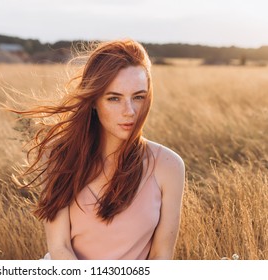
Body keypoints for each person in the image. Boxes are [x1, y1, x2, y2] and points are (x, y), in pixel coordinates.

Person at [9, 39, 185, 260]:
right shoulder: (60, 156)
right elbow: (59, 246)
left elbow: (161, 255)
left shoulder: (168, 165)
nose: (129, 111)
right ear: (94, 101)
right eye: (114, 98)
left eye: (138, 97)